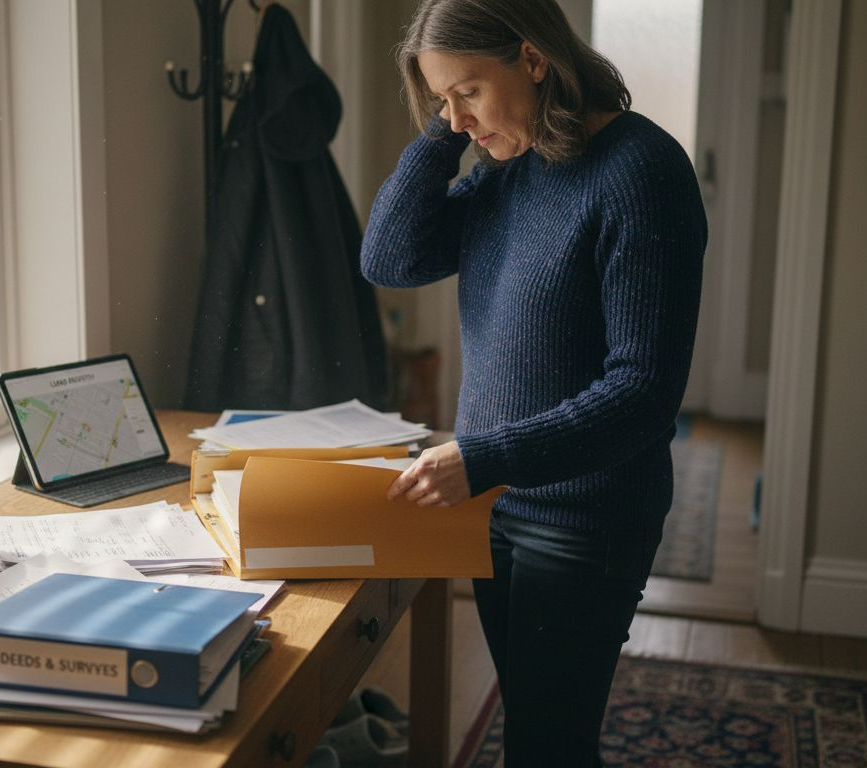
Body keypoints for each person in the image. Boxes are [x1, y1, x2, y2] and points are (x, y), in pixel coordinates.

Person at [359, 0, 706, 764]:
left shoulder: (641, 172)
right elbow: (388, 260)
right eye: (440, 100)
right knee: (535, 729)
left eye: (469, 92)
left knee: (548, 743)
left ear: (534, 59)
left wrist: (483, 457)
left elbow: (644, 393)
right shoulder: (506, 171)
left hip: (587, 518)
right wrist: (441, 130)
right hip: (498, 503)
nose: (457, 120)